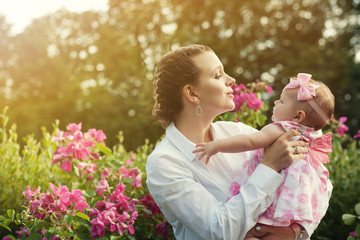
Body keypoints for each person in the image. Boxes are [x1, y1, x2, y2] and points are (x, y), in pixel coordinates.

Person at [146, 44, 312, 240]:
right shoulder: (165, 163)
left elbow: (314, 178)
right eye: (218, 75)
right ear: (192, 94)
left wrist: (296, 232)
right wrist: (270, 166)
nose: (231, 80)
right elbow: (219, 230)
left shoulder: (239, 133)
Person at [194, 73, 334, 239]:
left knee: (249, 234)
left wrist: (217, 145)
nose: (275, 102)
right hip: (291, 209)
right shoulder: (312, 138)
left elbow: (251, 141)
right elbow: (323, 183)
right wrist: (298, 230)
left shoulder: (281, 128)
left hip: (269, 203)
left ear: (298, 116)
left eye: (281, 101)